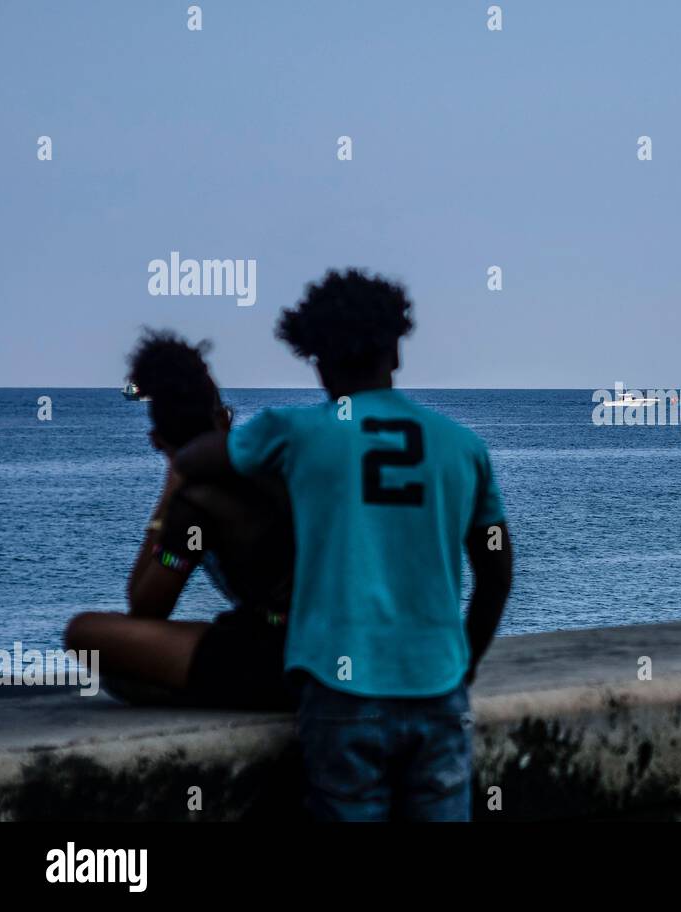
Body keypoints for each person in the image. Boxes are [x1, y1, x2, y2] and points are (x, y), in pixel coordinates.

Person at [175, 269, 513, 821]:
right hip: (438, 687)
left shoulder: (294, 432)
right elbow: (496, 573)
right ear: (396, 353)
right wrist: (464, 662)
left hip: (341, 689)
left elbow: (194, 461)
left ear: (317, 359)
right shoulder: (464, 447)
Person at [64, 330, 296, 710]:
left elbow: (146, 606)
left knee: (85, 633)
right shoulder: (274, 465)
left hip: (280, 654)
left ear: (157, 440)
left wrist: (169, 494)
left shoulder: (196, 507)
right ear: (223, 419)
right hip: (326, 638)